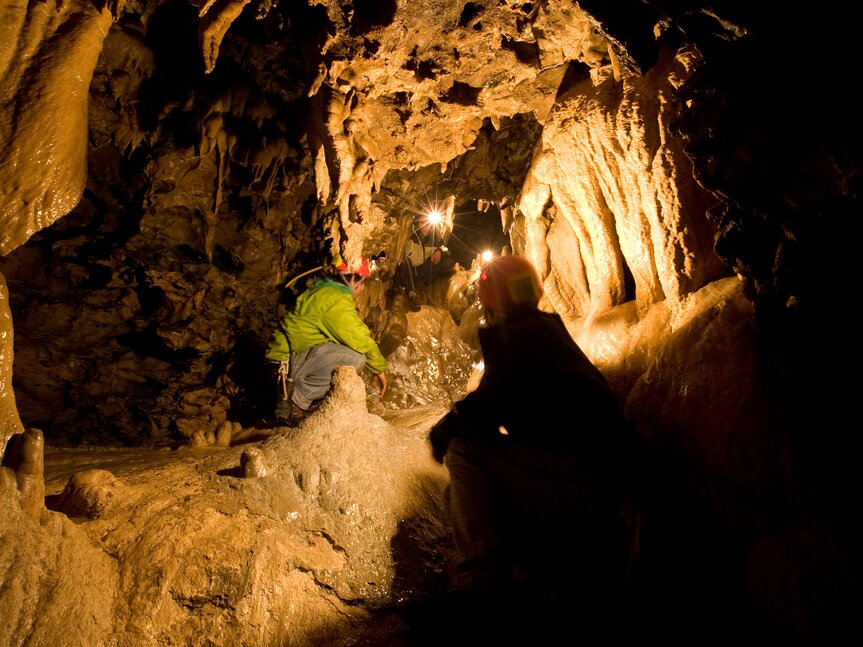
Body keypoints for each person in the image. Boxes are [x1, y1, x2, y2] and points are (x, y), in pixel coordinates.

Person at [426, 254, 646, 640]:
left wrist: (443, 432)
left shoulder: (521, 335)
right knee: (470, 478)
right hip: (600, 486)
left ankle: (478, 583)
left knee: (463, 449)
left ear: (492, 299)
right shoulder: (544, 332)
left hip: (583, 491)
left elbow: (484, 408)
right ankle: (518, 569)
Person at [266, 255, 388, 425]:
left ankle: (304, 398)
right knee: (355, 358)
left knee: (341, 347)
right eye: (363, 282)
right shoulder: (334, 299)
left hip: (285, 361)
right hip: (285, 368)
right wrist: (379, 368)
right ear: (353, 280)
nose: (363, 288)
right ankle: (295, 403)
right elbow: (359, 339)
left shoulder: (323, 291)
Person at [395, 214, 456, 311]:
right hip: (409, 271)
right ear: (419, 224)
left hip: (422, 271)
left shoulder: (433, 239)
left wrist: (439, 251)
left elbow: (443, 247)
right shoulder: (411, 235)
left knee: (445, 258)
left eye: (430, 225)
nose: (427, 228)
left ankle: (427, 284)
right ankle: (412, 295)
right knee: (404, 263)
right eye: (425, 224)